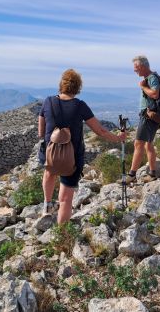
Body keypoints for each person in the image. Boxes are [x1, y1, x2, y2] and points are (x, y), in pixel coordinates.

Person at [38, 69, 126, 224]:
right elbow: (100, 131)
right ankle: (62, 234)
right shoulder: (80, 106)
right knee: (65, 199)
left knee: (49, 172)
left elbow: (40, 132)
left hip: (49, 153)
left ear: (62, 84)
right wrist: (118, 138)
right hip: (72, 157)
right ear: (78, 87)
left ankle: (47, 204)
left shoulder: (48, 101)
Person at [126, 55, 160, 183]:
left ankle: (132, 175)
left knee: (138, 143)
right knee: (148, 144)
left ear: (143, 66)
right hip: (151, 115)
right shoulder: (150, 78)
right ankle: (152, 173)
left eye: (136, 68)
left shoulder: (152, 78)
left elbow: (155, 94)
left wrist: (143, 87)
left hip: (148, 115)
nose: (135, 70)